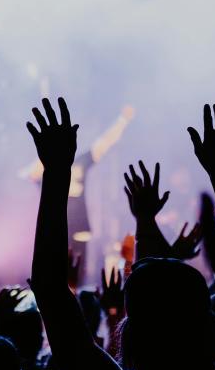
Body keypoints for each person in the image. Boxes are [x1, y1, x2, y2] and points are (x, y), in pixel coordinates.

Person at [22, 104, 134, 273]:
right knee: (55, 268)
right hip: (54, 223)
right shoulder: (46, 163)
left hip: (79, 224)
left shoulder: (80, 160)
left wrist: (122, 121)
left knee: (77, 268)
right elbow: (28, 174)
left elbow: (104, 143)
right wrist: (48, 149)